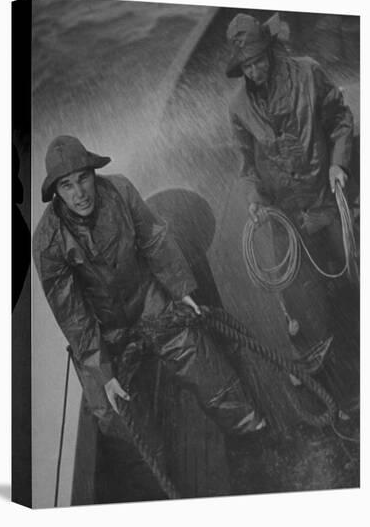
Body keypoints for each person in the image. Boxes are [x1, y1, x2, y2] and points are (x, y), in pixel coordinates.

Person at [33, 136, 265, 457]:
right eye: (67, 185)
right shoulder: (47, 242)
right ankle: (156, 474)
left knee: (202, 360)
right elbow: (73, 315)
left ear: (93, 173)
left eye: (83, 178)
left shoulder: (120, 190)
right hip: (103, 330)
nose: (79, 193)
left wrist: (181, 291)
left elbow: (154, 241)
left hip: (148, 301)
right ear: (56, 191)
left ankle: (253, 434)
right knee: (111, 413)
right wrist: (104, 373)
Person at [225, 13, 359, 404]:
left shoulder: (307, 72)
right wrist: (254, 199)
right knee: (303, 297)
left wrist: (339, 162)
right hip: (283, 215)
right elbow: (246, 164)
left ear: (270, 49)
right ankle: (325, 366)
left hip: (324, 198)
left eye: (258, 60)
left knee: (349, 274)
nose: (255, 70)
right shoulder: (236, 106)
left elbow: (340, 118)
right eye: (246, 66)